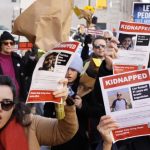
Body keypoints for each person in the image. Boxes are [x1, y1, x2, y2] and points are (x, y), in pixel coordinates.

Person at [0, 75, 78, 150]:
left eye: (6, 103)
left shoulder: (29, 123)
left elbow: (65, 130)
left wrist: (65, 101)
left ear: (13, 106)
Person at [44, 54, 90, 150]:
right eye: (67, 69)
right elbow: (47, 109)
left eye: (73, 70)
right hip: (58, 132)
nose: (69, 73)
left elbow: (92, 111)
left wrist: (82, 105)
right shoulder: (55, 85)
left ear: (78, 72)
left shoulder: (84, 87)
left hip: (78, 135)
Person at [0, 31, 37, 101]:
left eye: (11, 43)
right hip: (2, 98)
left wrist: (32, 57)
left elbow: (27, 72)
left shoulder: (16, 58)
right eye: (6, 43)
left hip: (18, 98)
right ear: (1, 44)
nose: (9, 45)